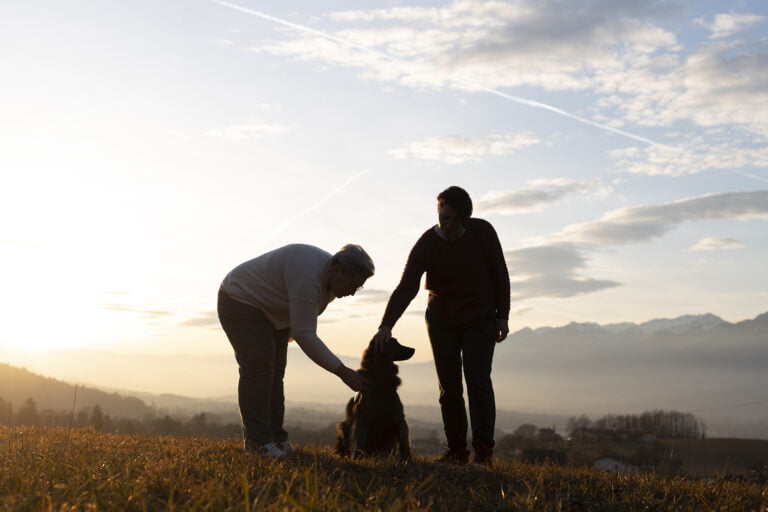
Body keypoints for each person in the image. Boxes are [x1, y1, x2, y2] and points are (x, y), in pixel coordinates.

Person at [371, 186, 510, 466]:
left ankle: (484, 452)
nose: (447, 225)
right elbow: (407, 286)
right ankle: (456, 451)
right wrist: (386, 325)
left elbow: (500, 273)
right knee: (449, 385)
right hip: (442, 318)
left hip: (480, 317)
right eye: (442, 218)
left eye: (454, 220)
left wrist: (502, 315)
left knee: (478, 381)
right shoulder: (427, 244)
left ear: (466, 219)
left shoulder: (483, 232)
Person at [218, 243, 372, 457]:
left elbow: (301, 324)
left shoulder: (329, 281)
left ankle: (276, 440)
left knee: (275, 374)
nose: (353, 293)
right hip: (241, 298)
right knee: (259, 370)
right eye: (353, 285)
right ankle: (258, 444)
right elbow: (305, 335)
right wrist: (343, 372)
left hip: (275, 312)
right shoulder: (308, 276)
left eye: (359, 287)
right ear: (337, 269)